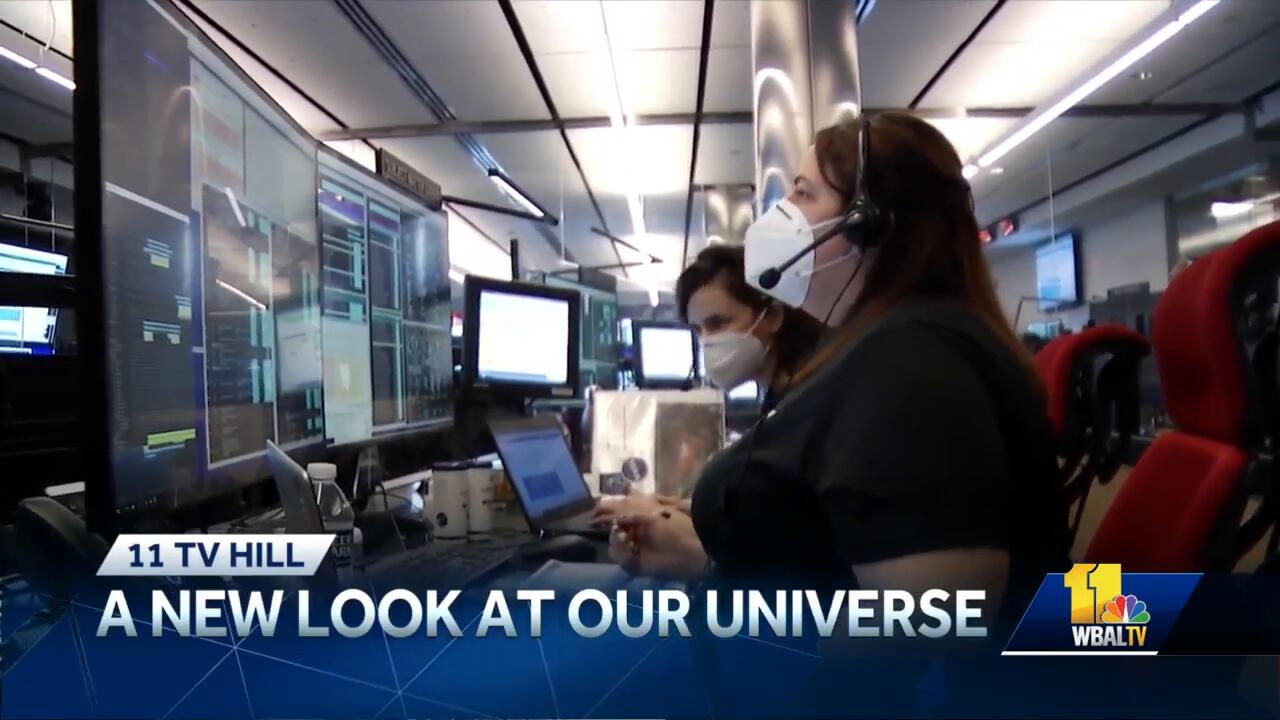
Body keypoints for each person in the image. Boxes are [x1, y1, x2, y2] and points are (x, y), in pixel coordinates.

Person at [608, 113, 1069, 705]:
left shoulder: (911, 362)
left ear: (868, 225)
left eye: (803, 194)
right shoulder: (890, 344)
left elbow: (931, 622)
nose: (782, 215)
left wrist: (707, 571)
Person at [592, 244, 824, 523]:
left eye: (718, 323)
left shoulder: (808, 404)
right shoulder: (780, 397)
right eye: (698, 330)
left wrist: (661, 520)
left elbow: (784, 532)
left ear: (772, 316)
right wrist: (679, 510)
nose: (707, 342)